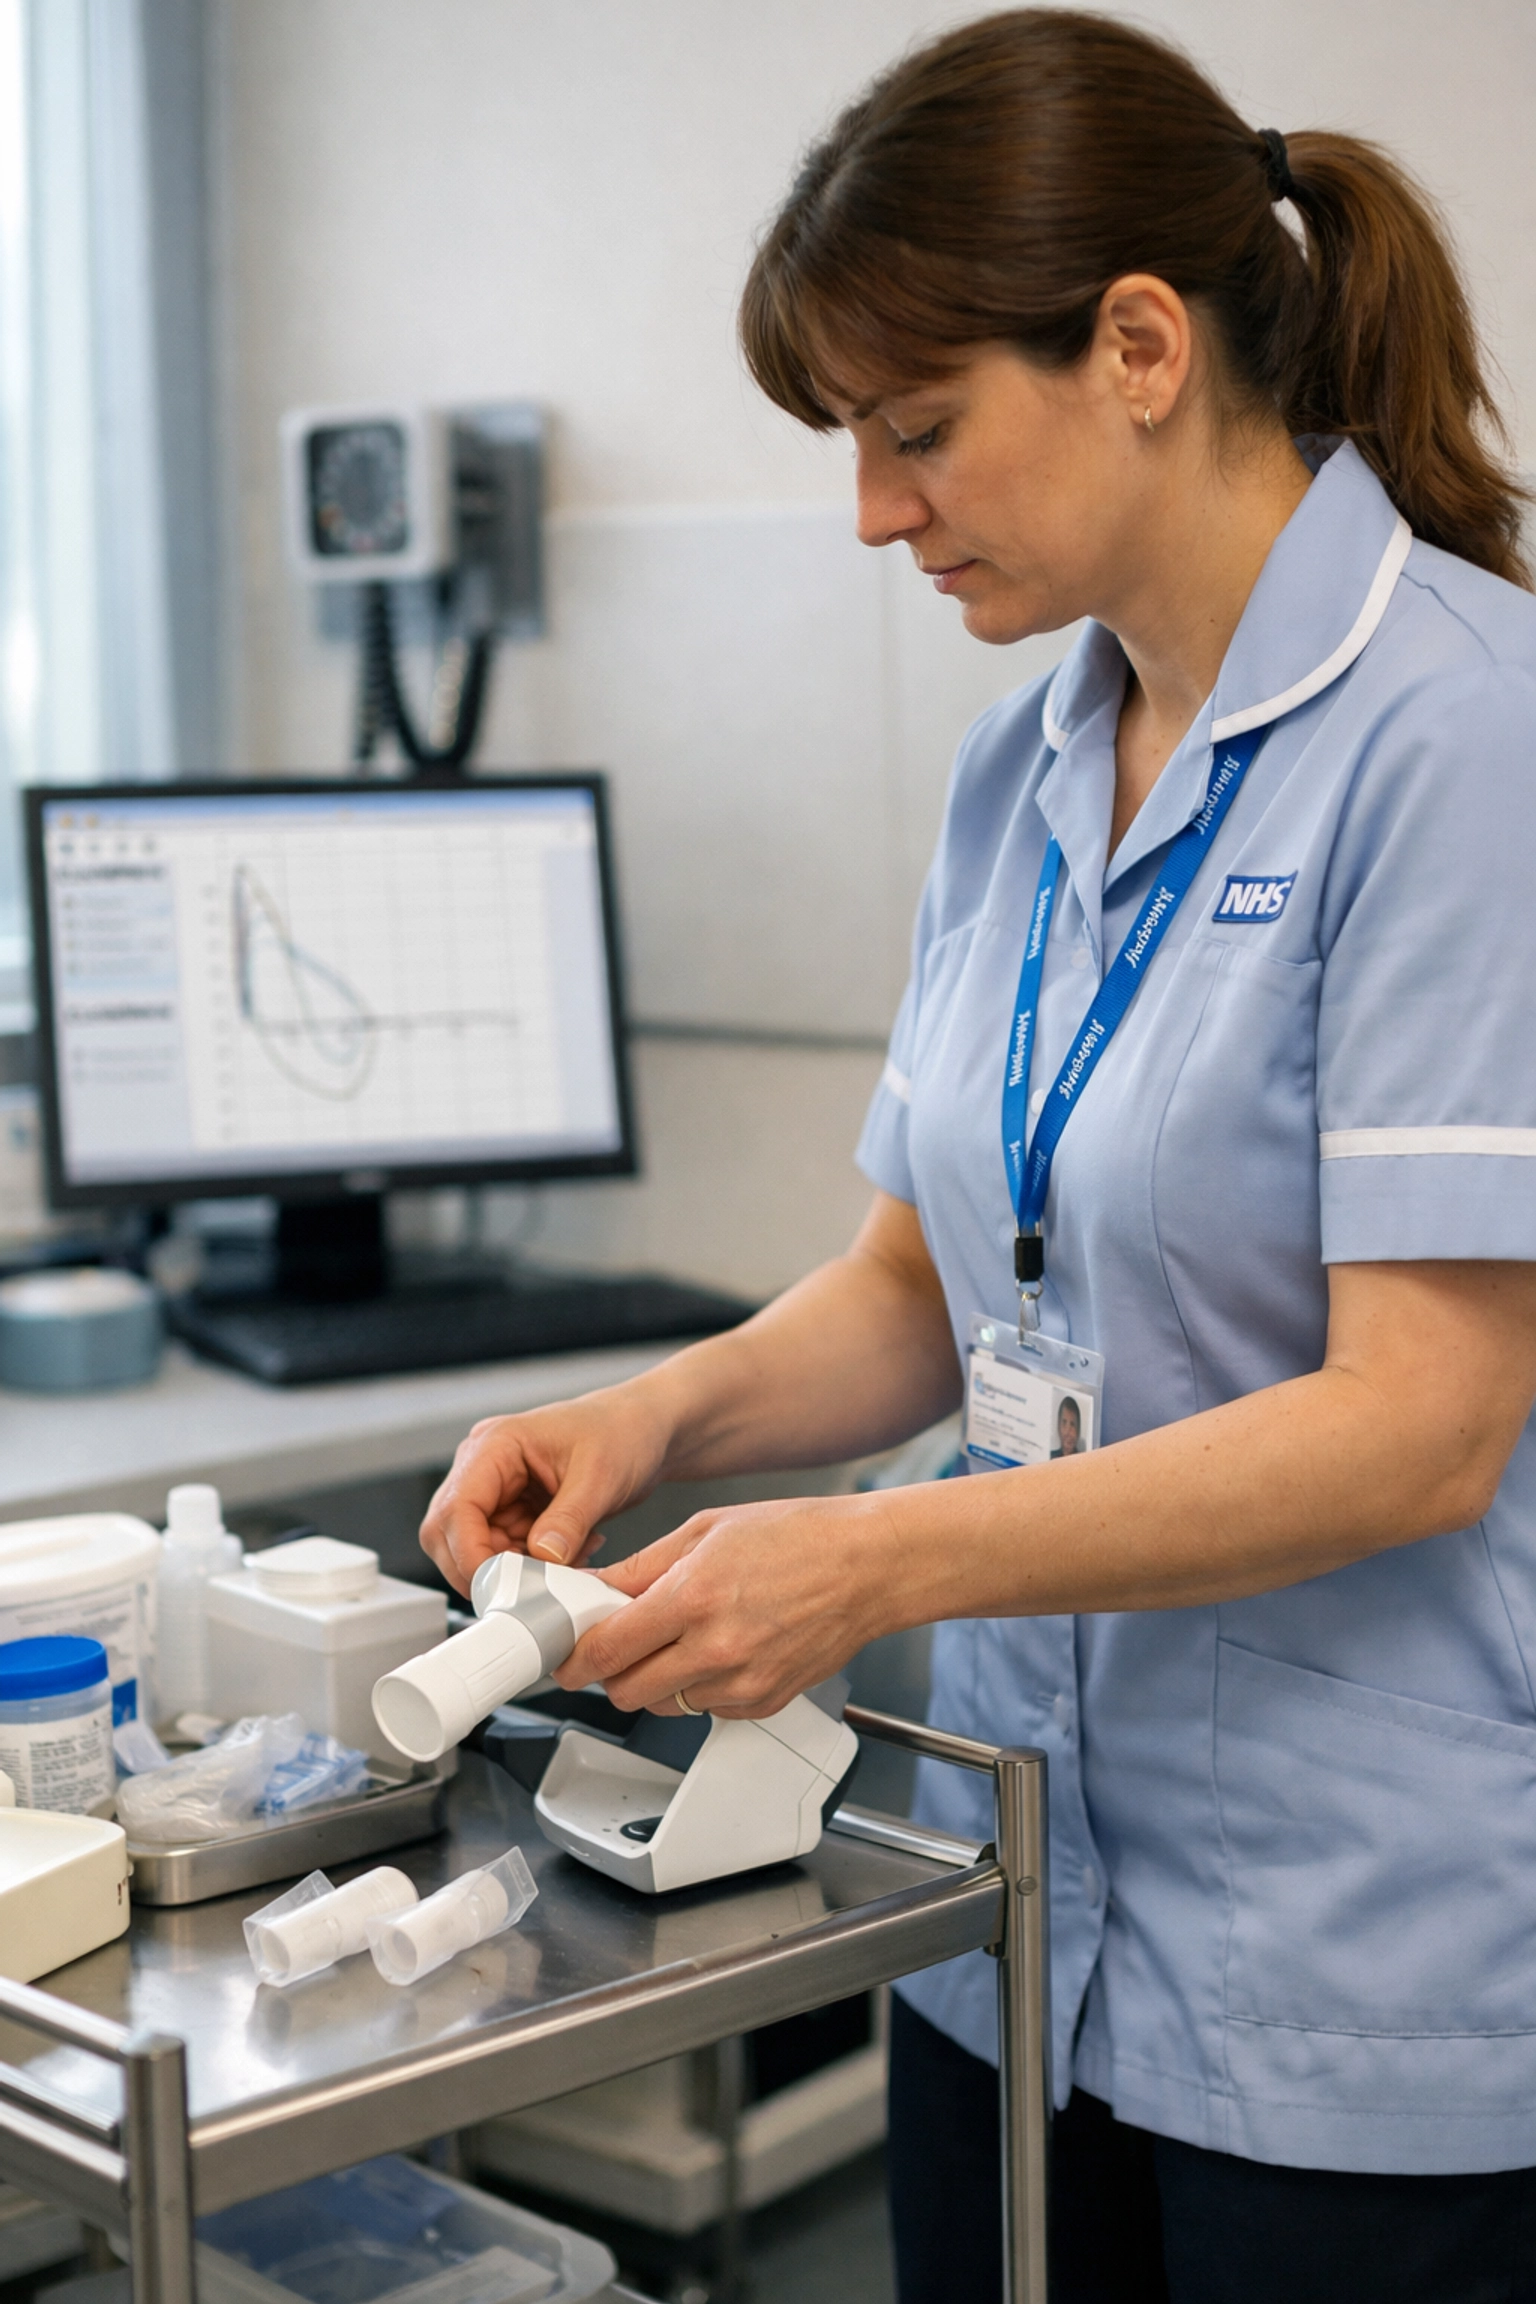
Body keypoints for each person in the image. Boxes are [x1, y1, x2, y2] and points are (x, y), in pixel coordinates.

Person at [422, 12, 1536, 2300]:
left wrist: (879, 1568)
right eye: (853, 441)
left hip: (1360, 1972)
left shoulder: (1464, 743)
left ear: (1139, 345)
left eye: (918, 430)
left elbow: (1424, 1428)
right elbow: (924, 1286)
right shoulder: (1023, 765)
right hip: (1009, 1909)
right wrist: (647, 1417)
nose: (873, 513)